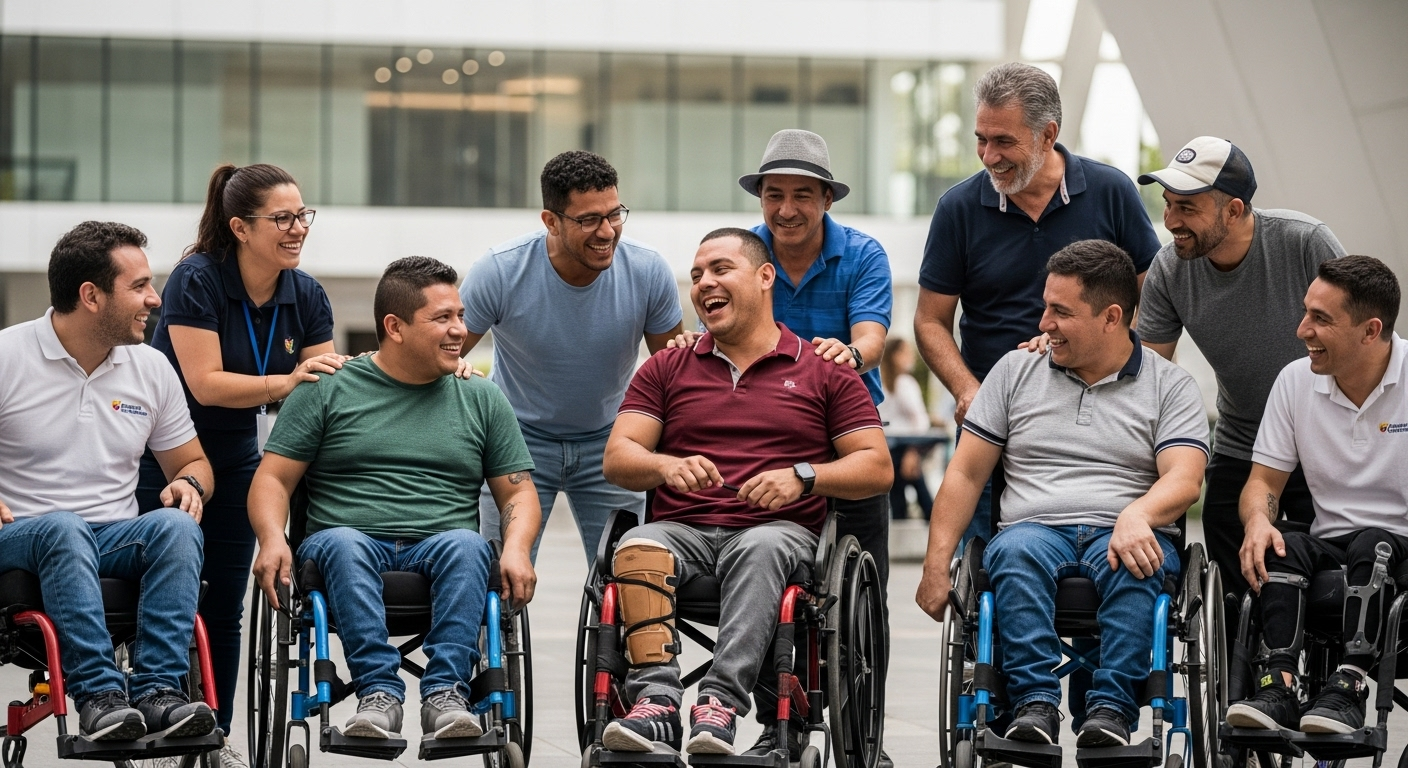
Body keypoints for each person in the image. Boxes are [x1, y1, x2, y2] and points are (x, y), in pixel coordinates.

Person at [599, 228, 891, 757]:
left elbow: (876, 466)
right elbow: (619, 457)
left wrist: (804, 475)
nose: (704, 283)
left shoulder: (825, 370)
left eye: (719, 269)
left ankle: (720, 703)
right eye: (696, 276)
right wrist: (664, 465)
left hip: (778, 535)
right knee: (636, 545)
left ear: (764, 276)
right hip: (681, 529)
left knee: (762, 547)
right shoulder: (667, 365)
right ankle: (657, 703)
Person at [915, 240, 1209, 747]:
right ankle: (1034, 704)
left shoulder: (1171, 386)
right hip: (1033, 529)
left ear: (1111, 317)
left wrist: (1137, 515)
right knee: (1013, 551)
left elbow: (1184, 477)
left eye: (1060, 311)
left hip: (1124, 528)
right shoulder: (1013, 372)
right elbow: (964, 475)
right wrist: (936, 564)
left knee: (1139, 559)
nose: (1043, 322)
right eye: (1045, 306)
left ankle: (1111, 712)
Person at [249, 256, 542, 741]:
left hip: (443, 545)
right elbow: (273, 479)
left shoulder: (482, 397)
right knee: (344, 543)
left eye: (460, 316)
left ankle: (446, 692)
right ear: (394, 326)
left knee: (471, 547)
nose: (459, 331)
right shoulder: (326, 388)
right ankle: (378, 692)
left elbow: (518, 492)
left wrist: (516, 548)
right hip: (344, 542)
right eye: (442, 318)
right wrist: (270, 539)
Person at [133, 163, 345, 758]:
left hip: (236, 456)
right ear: (240, 227)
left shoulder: (305, 292)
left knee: (225, 602)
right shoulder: (195, 279)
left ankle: (212, 735)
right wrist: (287, 381)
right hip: (166, 457)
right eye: (282, 218)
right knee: (169, 598)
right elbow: (203, 384)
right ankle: (159, 717)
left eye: (303, 215)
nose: (298, 227)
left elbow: (322, 386)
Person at [913, 62, 1161, 545]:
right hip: (994, 418)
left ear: (1048, 135)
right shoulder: (958, 208)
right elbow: (930, 321)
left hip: (1100, 413)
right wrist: (968, 391)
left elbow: (1151, 298)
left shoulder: (1112, 193)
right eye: (981, 139)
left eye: (1004, 141)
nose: (988, 155)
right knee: (986, 567)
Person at [0, 221, 215, 741]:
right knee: (63, 528)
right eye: (139, 285)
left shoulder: (152, 367)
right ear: (90, 296)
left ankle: (160, 693)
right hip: (24, 536)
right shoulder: (7, 356)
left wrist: (189, 483)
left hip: (111, 538)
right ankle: (98, 696)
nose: (155, 298)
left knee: (176, 527)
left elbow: (196, 463)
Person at [1134, 136, 1345, 601]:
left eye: (1187, 208)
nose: (1170, 222)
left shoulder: (1305, 242)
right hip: (1241, 441)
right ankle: (1241, 674)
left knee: (1323, 590)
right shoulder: (1169, 269)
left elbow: (1358, 339)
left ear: (1233, 209)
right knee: (1231, 595)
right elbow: (1145, 376)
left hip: (1324, 440)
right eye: (1168, 205)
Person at [460, 150, 684, 563]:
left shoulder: (648, 271)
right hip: (517, 441)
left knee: (631, 577)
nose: (606, 231)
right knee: (494, 575)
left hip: (612, 441)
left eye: (614, 214)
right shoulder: (499, 271)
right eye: (588, 220)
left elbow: (673, 374)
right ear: (551, 221)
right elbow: (443, 356)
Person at [1226, 256, 1405, 734]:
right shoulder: (1294, 381)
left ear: (1371, 331)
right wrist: (1258, 522)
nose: (1302, 329)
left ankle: (1348, 687)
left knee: (1374, 543)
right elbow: (1263, 484)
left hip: (1398, 545)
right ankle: (1279, 684)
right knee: (1283, 541)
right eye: (1307, 312)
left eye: (1321, 319)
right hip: (1332, 542)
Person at [879, 337, 939, 520]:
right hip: (906, 447)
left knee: (899, 503)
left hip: (892, 447)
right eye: (906, 352)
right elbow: (920, 420)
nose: (911, 356)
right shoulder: (904, 382)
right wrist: (914, 450)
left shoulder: (882, 384)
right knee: (924, 502)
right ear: (895, 355)